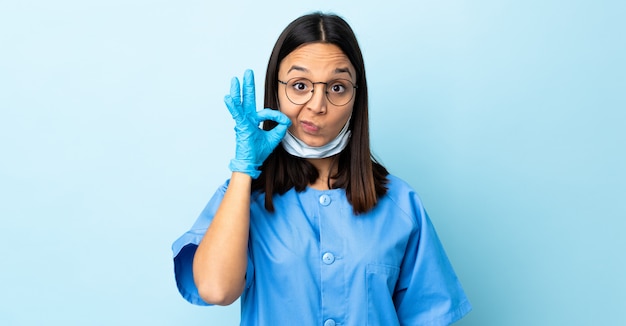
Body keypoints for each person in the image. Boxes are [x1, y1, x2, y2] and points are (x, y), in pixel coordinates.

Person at [172, 12, 472, 325]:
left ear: (357, 97)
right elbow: (216, 290)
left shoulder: (400, 203)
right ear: (276, 90)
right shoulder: (242, 197)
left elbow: (428, 316)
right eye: (300, 85)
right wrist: (244, 169)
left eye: (337, 87)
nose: (317, 104)